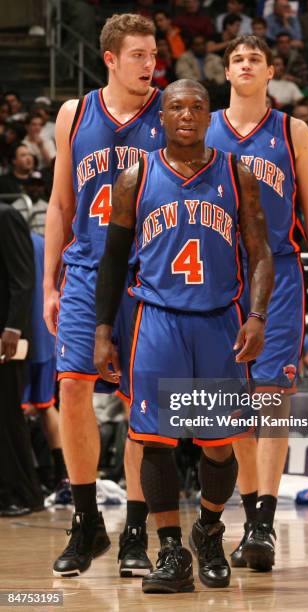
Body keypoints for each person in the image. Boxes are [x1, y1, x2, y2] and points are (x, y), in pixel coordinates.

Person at [94, 78, 274, 593]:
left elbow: (261, 252)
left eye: (198, 106)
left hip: (221, 321)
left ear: (209, 115)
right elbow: (112, 259)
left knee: (219, 446)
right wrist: (104, 330)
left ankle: (210, 532)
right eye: (177, 107)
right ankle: (171, 552)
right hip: (157, 320)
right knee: (155, 442)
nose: (188, 114)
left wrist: (257, 315)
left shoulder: (237, 174)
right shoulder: (135, 175)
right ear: (163, 117)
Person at [206, 35, 308, 571]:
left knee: (270, 396)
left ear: (270, 73)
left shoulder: (293, 131)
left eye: (254, 59)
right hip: (219, 278)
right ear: (226, 73)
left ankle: (261, 525)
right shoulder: (204, 127)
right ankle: (246, 510)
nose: (244, 65)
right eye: (236, 59)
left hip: (281, 274)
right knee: (232, 406)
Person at [43, 13, 165, 578]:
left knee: (140, 405)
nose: (150, 64)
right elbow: (61, 204)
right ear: (110, 60)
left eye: (153, 53)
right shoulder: (75, 113)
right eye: (138, 54)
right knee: (71, 389)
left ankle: (136, 531)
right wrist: (49, 282)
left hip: (146, 275)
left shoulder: (171, 112)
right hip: (86, 271)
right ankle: (86, 519)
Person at [0, 205, 44, 516]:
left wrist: (13, 328)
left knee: (7, 414)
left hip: (6, 335)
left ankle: (22, 493)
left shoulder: (5, 216)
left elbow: (24, 279)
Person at [21, 233, 68, 495]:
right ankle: (61, 475)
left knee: (16, 412)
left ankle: (28, 477)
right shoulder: (42, 241)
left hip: (22, 336)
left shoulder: (10, 241)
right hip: (48, 333)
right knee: (46, 406)